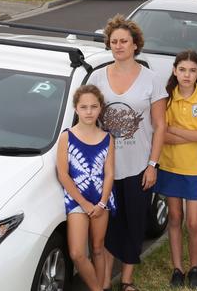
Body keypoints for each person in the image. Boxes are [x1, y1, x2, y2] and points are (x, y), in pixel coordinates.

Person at [88, 15, 168, 291]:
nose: (119, 46)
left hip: (138, 167)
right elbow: (86, 118)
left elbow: (160, 125)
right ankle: (106, 281)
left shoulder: (152, 79)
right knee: (109, 227)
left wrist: (152, 165)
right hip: (105, 168)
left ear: (135, 45)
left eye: (124, 41)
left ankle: (127, 280)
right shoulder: (97, 77)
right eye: (114, 42)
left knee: (134, 224)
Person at [155, 50, 197, 289]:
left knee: (193, 222)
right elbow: (163, 137)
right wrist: (190, 135)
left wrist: (176, 130)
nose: (187, 75)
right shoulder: (167, 98)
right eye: (182, 69)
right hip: (171, 166)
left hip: (194, 169)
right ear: (174, 70)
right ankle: (177, 268)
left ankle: (194, 268)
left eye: (192, 70)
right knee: (174, 218)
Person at [56, 85, 115, 291]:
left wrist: (101, 202)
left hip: (101, 199)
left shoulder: (107, 138)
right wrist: (84, 203)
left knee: (98, 248)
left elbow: (109, 173)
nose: (89, 111)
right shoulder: (67, 137)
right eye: (84, 107)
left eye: (93, 106)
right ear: (76, 109)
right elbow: (63, 174)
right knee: (77, 253)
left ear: (100, 108)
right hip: (77, 200)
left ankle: (97, 286)